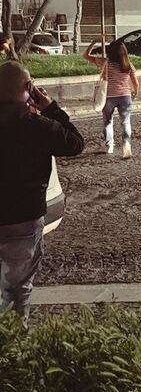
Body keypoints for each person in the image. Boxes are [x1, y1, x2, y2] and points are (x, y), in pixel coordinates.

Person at [0, 61, 85, 319]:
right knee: (17, 289)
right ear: (28, 88)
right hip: (24, 218)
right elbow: (75, 143)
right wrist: (50, 108)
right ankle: (13, 348)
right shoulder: (38, 126)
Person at [84, 39, 139, 158]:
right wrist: (134, 93)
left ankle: (109, 145)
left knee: (108, 121)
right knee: (125, 122)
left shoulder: (104, 62)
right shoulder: (128, 64)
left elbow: (86, 56)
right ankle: (126, 145)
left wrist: (93, 43)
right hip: (125, 96)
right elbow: (136, 83)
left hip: (109, 96)